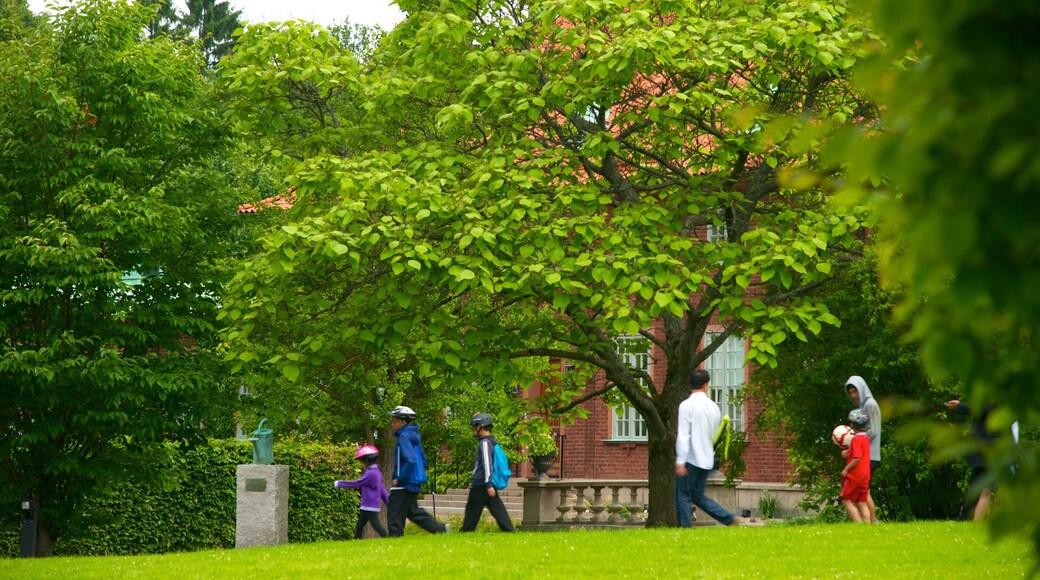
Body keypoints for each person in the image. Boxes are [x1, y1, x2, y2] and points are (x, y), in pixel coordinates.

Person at [675, 368, 747, 527]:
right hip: (707, 458)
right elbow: (715, 433)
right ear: (705, 385)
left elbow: (683, 435)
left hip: (690, 458)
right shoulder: (714, 407)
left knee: (682, 496)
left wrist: (680, 460)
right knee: (698, 496)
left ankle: (684, 529)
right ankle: (728, 518)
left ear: (690, 384)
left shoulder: (686, 405)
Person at [944, 399, 1019, 521]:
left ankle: (971, 521)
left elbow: (985, 408)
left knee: (985, 488)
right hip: (989, 445)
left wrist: (961, 406)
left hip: (992, 446)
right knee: (978, 486)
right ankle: (964, 519)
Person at [387, 405, 448, 536]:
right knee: (413, 512)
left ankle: (394, 540)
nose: (392, 424)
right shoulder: (413, 436)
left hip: (403, 483)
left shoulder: (403, 437)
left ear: (402, 422)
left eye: (394, 421)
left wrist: (399, 479)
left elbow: (410, 460)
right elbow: (422, 458)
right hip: (413, 481)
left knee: (394, 515)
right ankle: (440, 529)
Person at [460, 413, 515, 532]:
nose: (473, 430)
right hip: (485, 483)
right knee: (498, 509)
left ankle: (465, 532)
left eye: (475, 427)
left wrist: (488, 484)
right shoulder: (491, 442)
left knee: (472, 512)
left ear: (480, 426)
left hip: (481, 483)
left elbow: (487, 463)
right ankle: (509, 530)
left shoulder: (484, 443)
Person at [334, 444, 390, 539]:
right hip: (367, 505)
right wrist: (388, 502)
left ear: (367, 460)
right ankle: (357, 541)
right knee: (359, 526)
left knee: (376, 526)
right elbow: (382, 489)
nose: (361, 464)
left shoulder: (371, 473)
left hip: (370, 505)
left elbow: (357, 483)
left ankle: (388, 538)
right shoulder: (375, 472)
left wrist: (339, 483)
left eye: (361, 461)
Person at [845, 375, 880, 523]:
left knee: (864, 492)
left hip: (870, 455)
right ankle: (870, 522)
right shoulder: (862, 407)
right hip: (865, 454)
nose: (853, 395)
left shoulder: (870, 405)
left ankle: (873, 521)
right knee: (863, 492)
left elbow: (873, 431)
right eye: (850, 393)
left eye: (855, 391)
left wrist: (855, 443)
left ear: (862, 389)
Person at [840, 409, 872, 523]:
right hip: (865, 475)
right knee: (861, 502)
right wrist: (847, 452)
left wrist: (846, 469)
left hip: (855, 475)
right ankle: (867, 524)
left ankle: (858, 522)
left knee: (846, 500)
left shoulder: (856, 439)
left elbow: (857, 458)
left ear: (853, 425)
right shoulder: (866, 438)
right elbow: (859, 452)